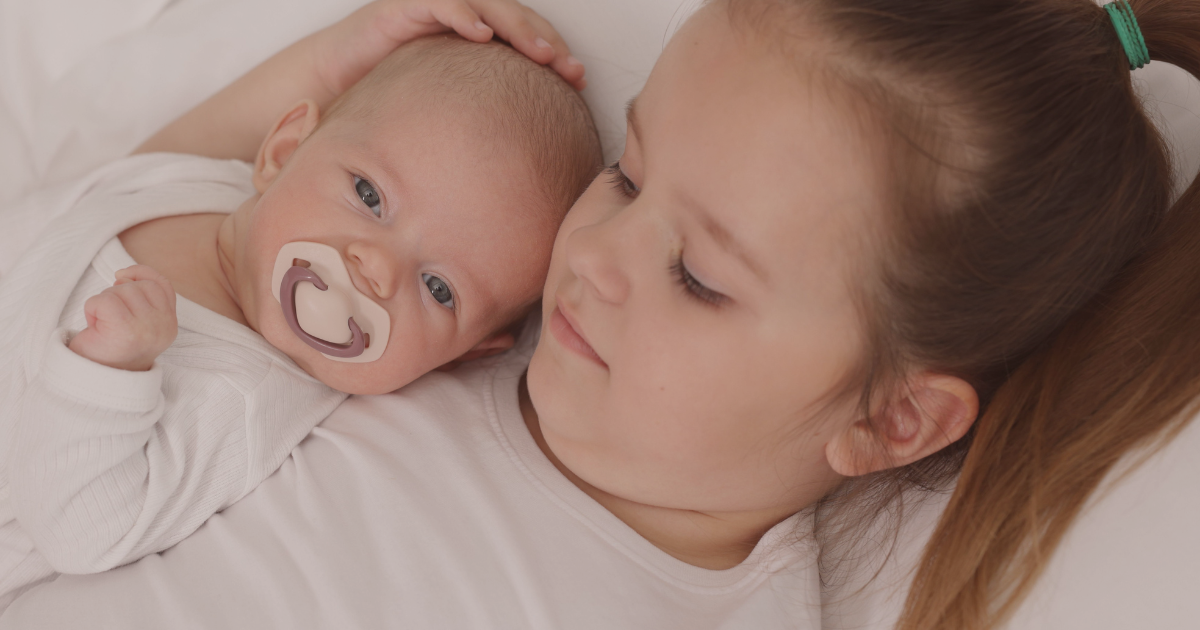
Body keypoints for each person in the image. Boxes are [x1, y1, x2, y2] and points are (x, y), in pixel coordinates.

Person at [4, 0, 1199, 628]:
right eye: (625, 174)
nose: (595, 254)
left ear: (894, 421)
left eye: (701, 278)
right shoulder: (455, 332)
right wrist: (337, 62)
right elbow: (186, 210)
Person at [0, 0, 601, 609]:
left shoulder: (243, 402)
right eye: (368, 195)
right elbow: (152, 156)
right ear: (283, 152)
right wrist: (343, 46)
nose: (378, 268)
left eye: (439, 288)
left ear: (465, 355)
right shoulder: (192, 185)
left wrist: (108, 375)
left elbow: (82, 533)